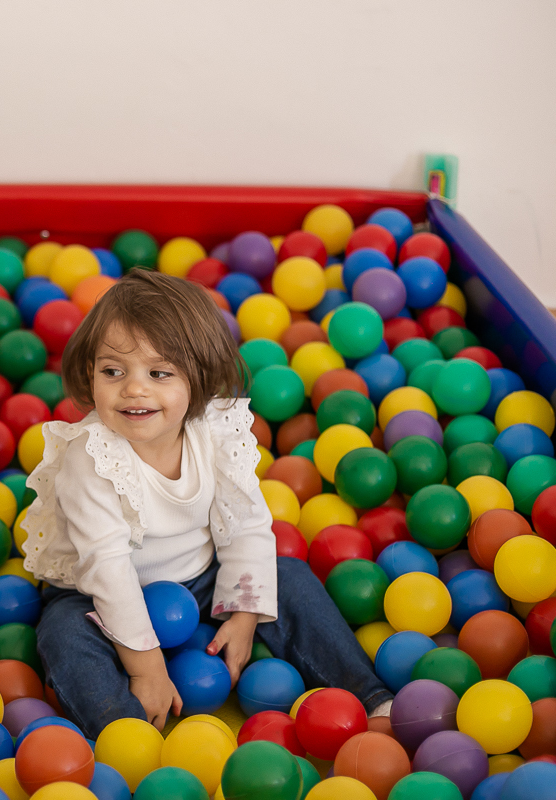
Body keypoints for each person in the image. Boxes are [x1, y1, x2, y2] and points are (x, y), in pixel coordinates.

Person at [21, 269, 392, 739]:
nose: (134, 388)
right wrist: (146, 668)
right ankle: (130, 741)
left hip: (200, 581)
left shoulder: (214, 433)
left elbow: (246, 525)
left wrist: (243, 614)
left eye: (159, 373)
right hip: (95, 598)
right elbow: (106, 570)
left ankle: (370, 698)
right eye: (113, 371)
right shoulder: (91, 459)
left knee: (289, 577)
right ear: (89, 372)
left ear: (198, 382)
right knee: (64, 636)